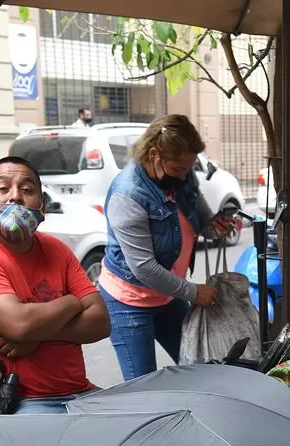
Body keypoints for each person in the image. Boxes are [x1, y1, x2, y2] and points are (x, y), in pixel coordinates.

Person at [0, 156, 109, 416]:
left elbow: (100, 322)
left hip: (78, 393)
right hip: (9, 403)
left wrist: (39, 335)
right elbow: (20, 324)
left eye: (27, 190)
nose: (15, 197)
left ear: (41, 204)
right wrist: (72, 302)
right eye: (3, 188)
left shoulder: (56, 250)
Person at [98, 115, 233, 379]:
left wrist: (213, 224)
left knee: (198, 371)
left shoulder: (181, 176)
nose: (185, 177)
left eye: (189, 168)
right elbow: (144, 268)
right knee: (144, 388)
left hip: (167, 297)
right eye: (178, 169)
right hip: (129, 302)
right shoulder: (128, 194)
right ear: (154, 155)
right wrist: (193, 292)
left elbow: (199, 218)